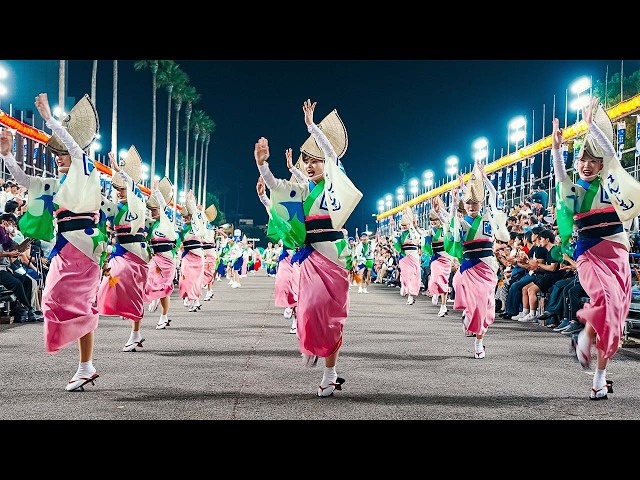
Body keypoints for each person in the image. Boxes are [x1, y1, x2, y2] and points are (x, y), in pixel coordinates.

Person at [255, 98, 362, 397]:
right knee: (310, 309)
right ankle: (314, 345)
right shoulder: (302, 190)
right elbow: (277, 187)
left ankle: (330, 373)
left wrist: (312, 127)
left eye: (315, 160)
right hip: (311, 258)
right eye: (307, 161)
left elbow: (330, 156)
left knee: (333, 318)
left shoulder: (335, 185)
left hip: (336, 258)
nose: (310, 165)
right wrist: (263, 166)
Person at [1, 92, 106, 391]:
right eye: (55, 154)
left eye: (62, 152)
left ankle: (86, 366)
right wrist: (7, 155)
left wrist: (49, 120)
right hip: (65, 246)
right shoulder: (58, 184)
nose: (58, 157)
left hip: (84, 247)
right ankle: (86, 366)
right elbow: (25, 181)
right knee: (56, 300)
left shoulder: (87, 170)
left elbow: (74, 149)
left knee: (75, 303)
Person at [552, 97, 639, 399]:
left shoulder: (612, 186)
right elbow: (561, 177)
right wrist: (556, 150)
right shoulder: (573, 193)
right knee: (605, 298)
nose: (586, 166)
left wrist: (593, 128)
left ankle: (599, 379)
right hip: (589, 254)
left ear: (602, 164)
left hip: (619, 257)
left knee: (615, 317)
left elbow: (614, 155)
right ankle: (585, 336)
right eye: (582, 160)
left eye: (593, 160)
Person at [451, 159, 509, 358]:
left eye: (475, 202)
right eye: (468, 203)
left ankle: (479, 342)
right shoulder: (462, 222)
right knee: (467, 296)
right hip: (468, 266)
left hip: (487, 267)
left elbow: (495, 196)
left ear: (481, 203)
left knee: (485, 304)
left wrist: (485, 179)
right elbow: (455, 237)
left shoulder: (488, 216)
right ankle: (468, 315)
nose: (471, 206)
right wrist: (454, 201)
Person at [97, 148, 150, 352]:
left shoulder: (139, 206)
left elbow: (133, 187)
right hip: (119, 253)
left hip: (138, 254)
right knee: (108, 285)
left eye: (122, 190)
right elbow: (99, 201)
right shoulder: (115, 209)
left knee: (136, 293)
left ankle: (135, 333)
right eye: (117, 190)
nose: (119, 193)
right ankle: (128, 319)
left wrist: (119, 170)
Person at [143, 177, 178, 330]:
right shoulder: (151, 225)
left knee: (165, 289)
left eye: (154, 210)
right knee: (149, 280)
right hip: (155, 259)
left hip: (168, 260)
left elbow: (163, 206)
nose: (152, 213)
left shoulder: (166, 221)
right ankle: (155, 298)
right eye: (151, 211)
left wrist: (156, 190)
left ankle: (164, 317)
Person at [390, 206, 424, 305]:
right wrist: (392, 226)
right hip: (404, 257)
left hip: (413, 256)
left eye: (406, 225)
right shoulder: (400, 234)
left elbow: (421, 235)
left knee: (414, 275)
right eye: (402, 225)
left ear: (409, 224)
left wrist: (414, 225)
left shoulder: (414, 232)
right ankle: (405, 288)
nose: (404, 227)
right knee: (405, 275)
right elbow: (393, 237)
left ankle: (411, 295)